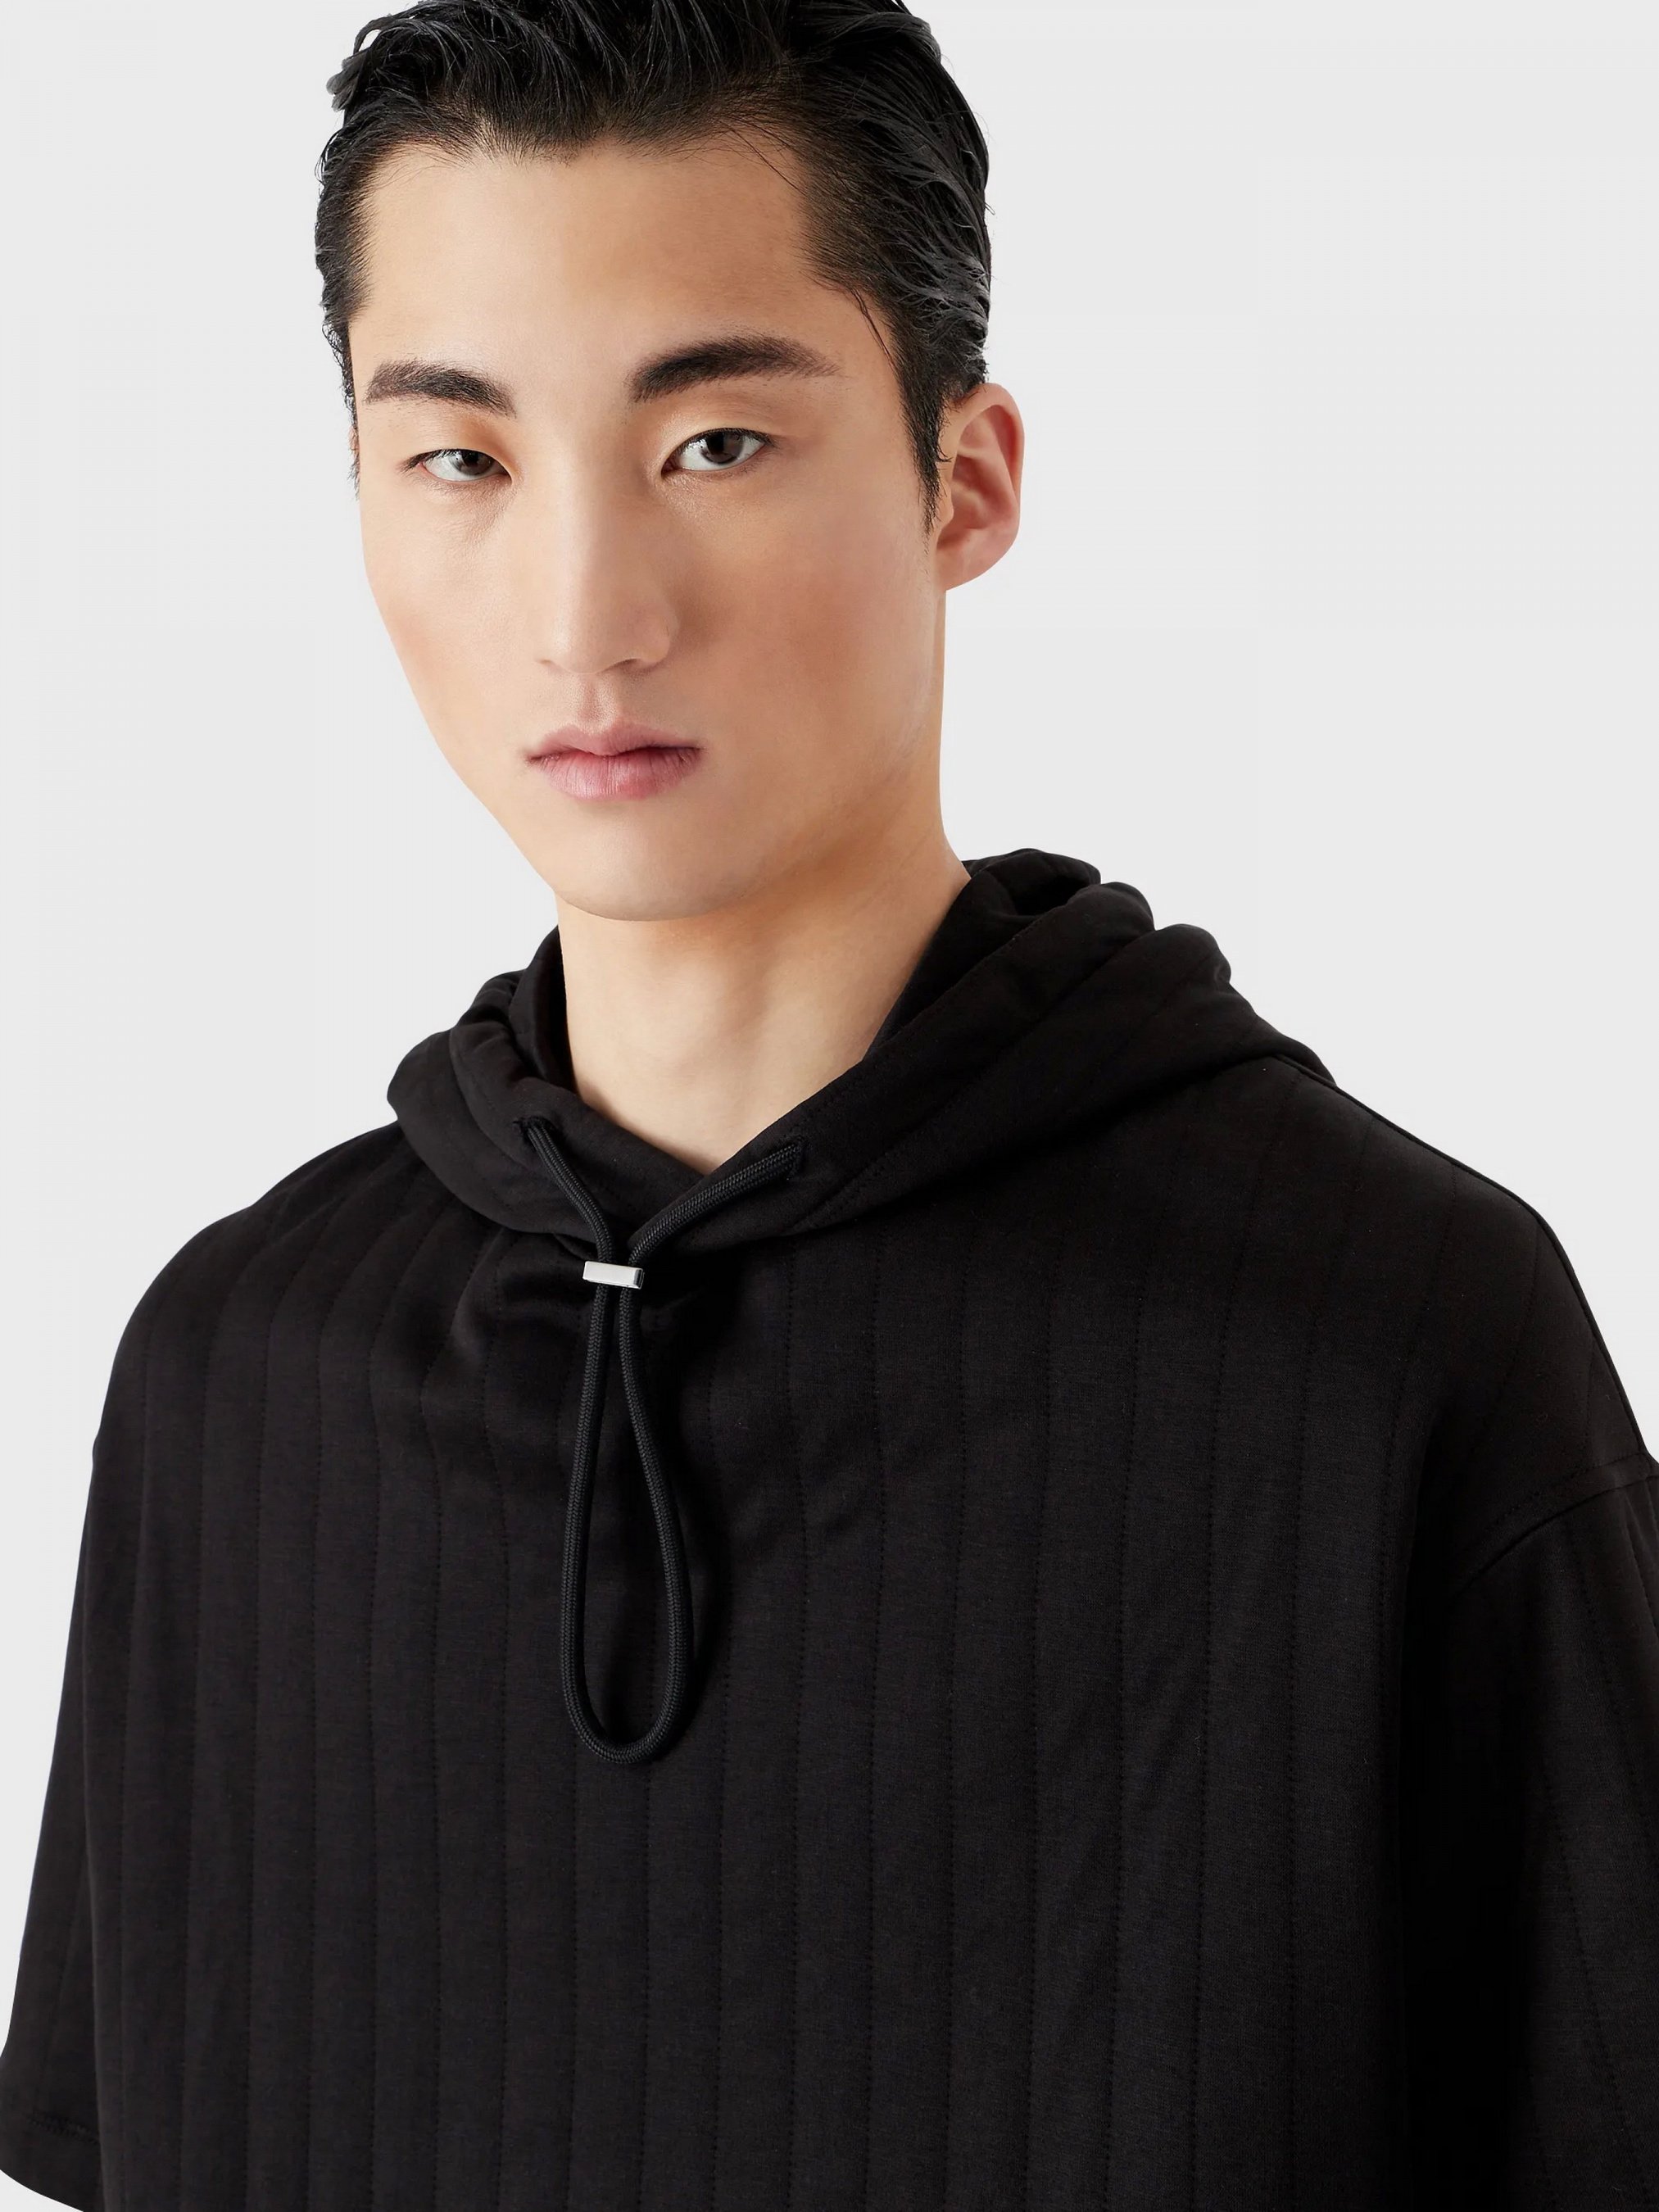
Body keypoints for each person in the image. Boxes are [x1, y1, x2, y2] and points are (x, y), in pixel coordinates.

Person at [1, 0, 1655, 2205]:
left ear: (964, 478)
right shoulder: (237, 1376)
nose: (586, 618)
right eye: (463, 459)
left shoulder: (1391, 1350)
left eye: (714, 444)